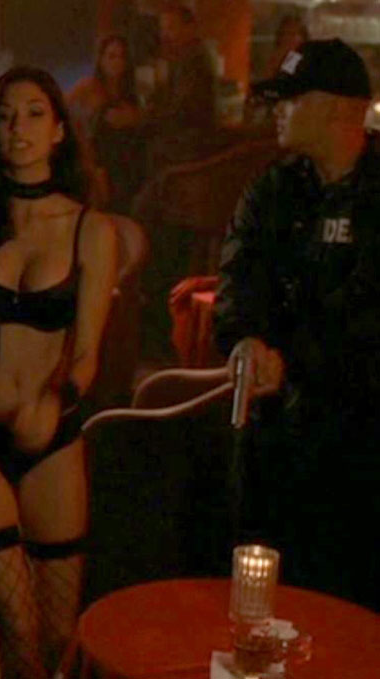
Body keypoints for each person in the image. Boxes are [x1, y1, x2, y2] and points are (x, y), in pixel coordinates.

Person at [0, 66, 118, 678]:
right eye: (6, 116)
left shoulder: (92, 229)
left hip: (51, 435)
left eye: (36, 113)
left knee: (61, 634)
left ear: (60, 130)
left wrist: (61, 396)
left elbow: (87, 351)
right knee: (16, 625)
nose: (19, 127)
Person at [213, 38, 380, 611]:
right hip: (277, 428)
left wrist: (294, 359)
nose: (276, 110)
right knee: (264, 586)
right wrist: (245, 339)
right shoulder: (274, 188)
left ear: (336, 108)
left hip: (361, 436)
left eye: (291, 98)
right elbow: (237, 277)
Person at [67, 35, 145, 213]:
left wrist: (134, 118)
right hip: (98, 162)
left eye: (121, 57)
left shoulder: (130, 93)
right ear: (101, 60)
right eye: (111, 56)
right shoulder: (89, 86)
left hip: (126, 165)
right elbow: (61, 109)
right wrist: (81, 141)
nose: (116, 62)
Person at [147, 3, 218, 169]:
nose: (165, 35)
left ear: (190, 28)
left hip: (191, 145)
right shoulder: (178, 58)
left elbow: (181, 110)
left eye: (171, 28)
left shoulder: (195, 60)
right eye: (163, 29)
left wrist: (141, 118)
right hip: (183, 139)